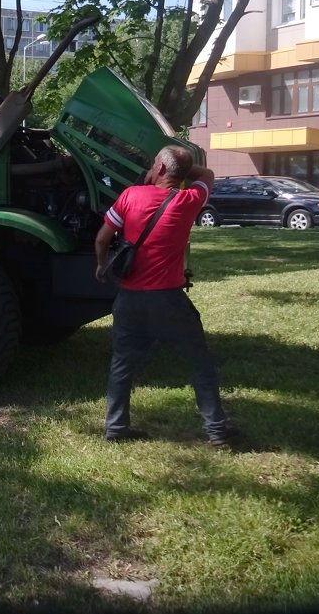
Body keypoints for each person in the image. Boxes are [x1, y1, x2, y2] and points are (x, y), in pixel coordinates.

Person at [93, 146, 240, 447]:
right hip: (168, 300)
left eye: (153, 163)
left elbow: (102, 237)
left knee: (122, 364)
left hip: (130, 298)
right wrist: (184, 171)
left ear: (160, 168)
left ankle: (116, 428)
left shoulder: (131, 196)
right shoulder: (190, 199)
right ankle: (217, 431)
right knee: (199, 362)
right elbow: (207, 174)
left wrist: (100, 265)